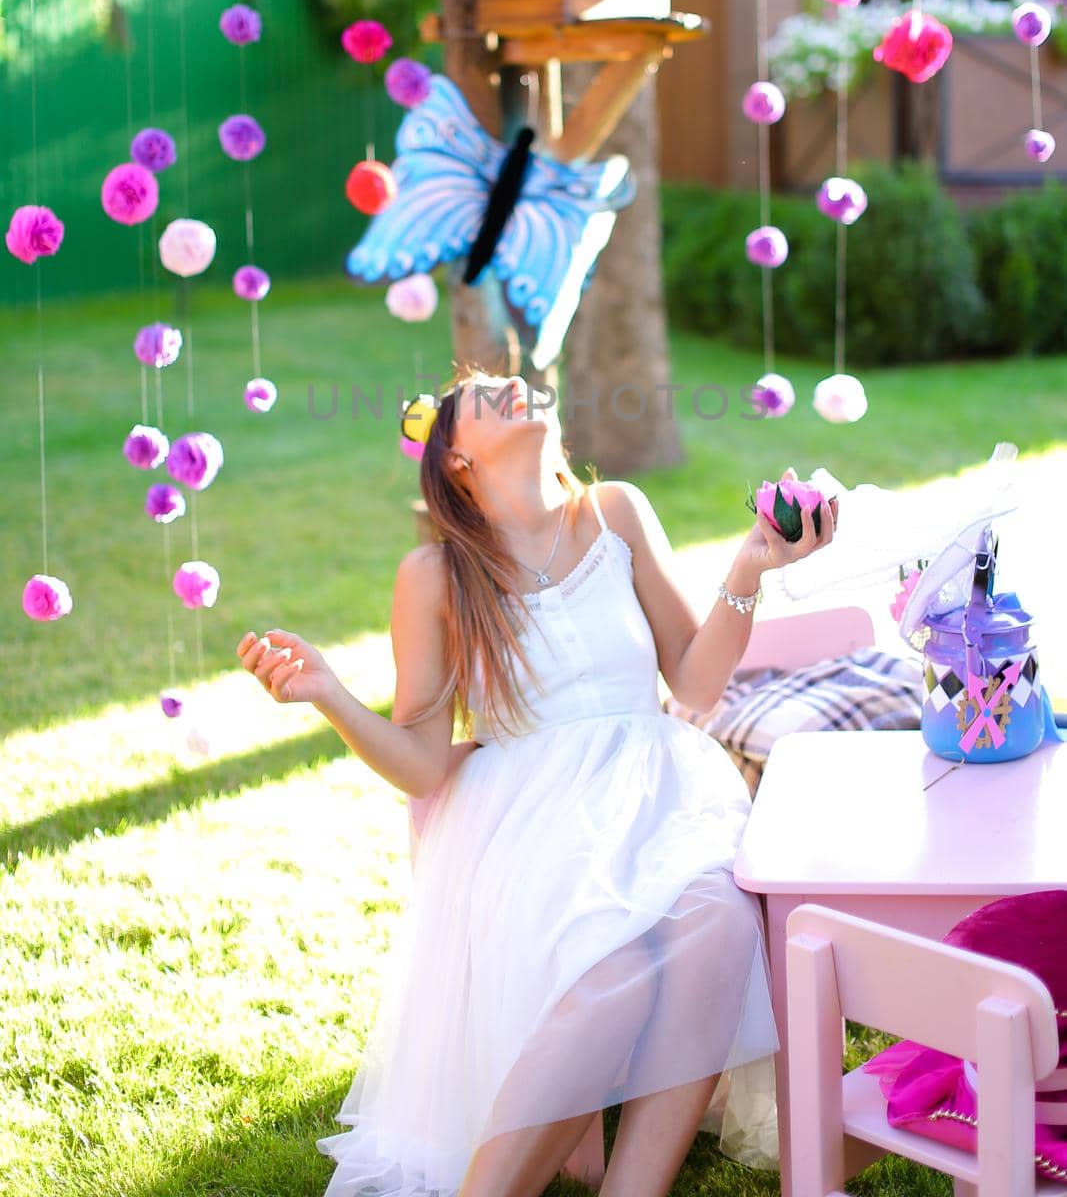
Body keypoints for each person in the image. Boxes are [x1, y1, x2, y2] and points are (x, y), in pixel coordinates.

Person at [236, 369, 839, 1197]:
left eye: (517, 379)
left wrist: (749, 566)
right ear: (454, 458)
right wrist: (331, 697)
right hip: (531, 816)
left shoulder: (615, 512)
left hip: (658, 789)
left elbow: (694, 686)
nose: (512, 384)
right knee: (610, 959)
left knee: (718, 924)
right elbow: (418, 757)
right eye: (484, 391)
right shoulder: (436, 577)